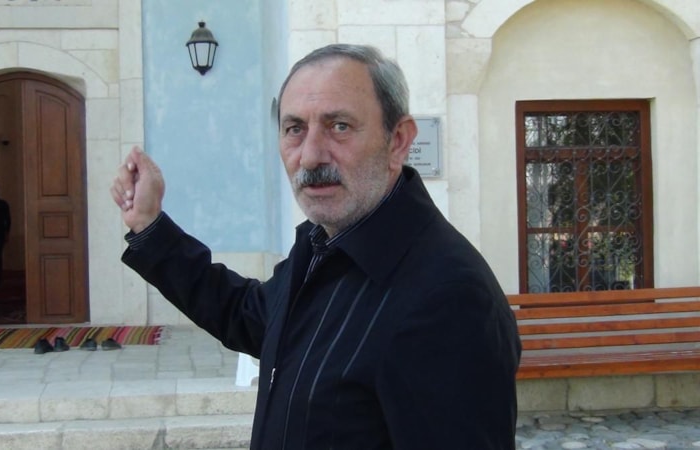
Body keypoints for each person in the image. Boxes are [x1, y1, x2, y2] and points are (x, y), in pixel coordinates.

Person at [111, 44, 521, 449]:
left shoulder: (449, 296)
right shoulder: (321, 243)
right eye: (295, 129)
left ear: (398, 141)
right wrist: (150, 226)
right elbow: (248, 316)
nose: (309, 157)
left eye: (339, 126)